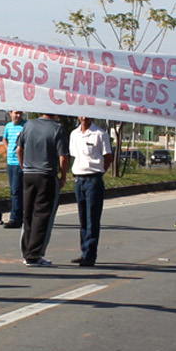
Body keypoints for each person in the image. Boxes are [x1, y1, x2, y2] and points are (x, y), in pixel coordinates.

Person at [16, 113, 68, 266]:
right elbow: (63, 157)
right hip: (46, 175)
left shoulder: (29, 125)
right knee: (42, 215)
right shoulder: (57, 129)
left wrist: (24, 166)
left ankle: (26, 252)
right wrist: (63, 175)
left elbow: (19, 149)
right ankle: (34, 254)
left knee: (28, 213)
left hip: (28, 174)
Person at [68, 114, 111, 266]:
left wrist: (99, 172)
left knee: (92, 218)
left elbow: (108, 156)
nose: (84, 118)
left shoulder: (100, 134)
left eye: (87, 115)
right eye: (81, 115)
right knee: (83, 218)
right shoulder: (74, 134)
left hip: (93, 179)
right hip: (79, 179)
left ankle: (90, 254)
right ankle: (84, 250)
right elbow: (74, 155)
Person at [2, 109, 27, 229]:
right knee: (14, 190)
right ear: (10, 113)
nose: (18, 115)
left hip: (21, 162)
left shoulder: (26, 126)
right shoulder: (8, 126)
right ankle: (18, 215)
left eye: (20, 113)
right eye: (16, 113)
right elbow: (4, 139)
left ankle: (15, 218)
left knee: (17, 190)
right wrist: (8, 149)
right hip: (10, 162)